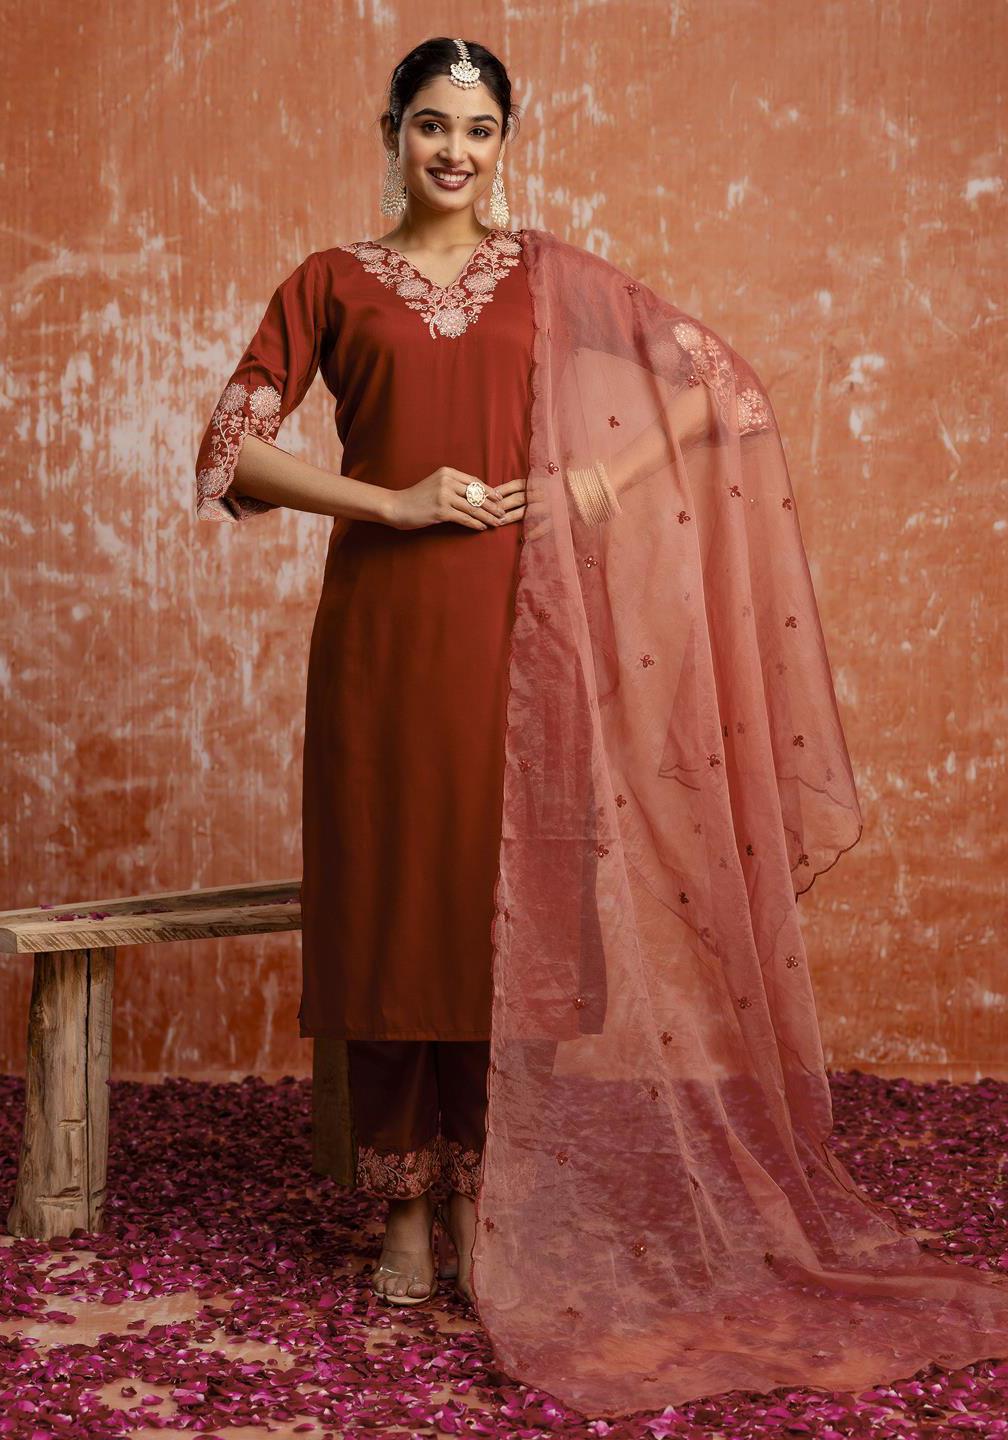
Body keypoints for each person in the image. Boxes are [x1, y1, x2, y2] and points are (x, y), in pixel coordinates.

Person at [195, 35, 1008, 1421]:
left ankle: (491, 1190)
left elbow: (716, 385)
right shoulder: (330, 282)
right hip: (385, 636)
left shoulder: (549, 278)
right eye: (432, 125)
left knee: (501, 898)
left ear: (506, 143)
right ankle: (404, 1206)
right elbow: (228, 449)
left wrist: (593, 482)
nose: (455, 152)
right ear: (392, 133)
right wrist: (391, 500)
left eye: (480, 130)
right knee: (395, 899)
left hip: (528, 636)